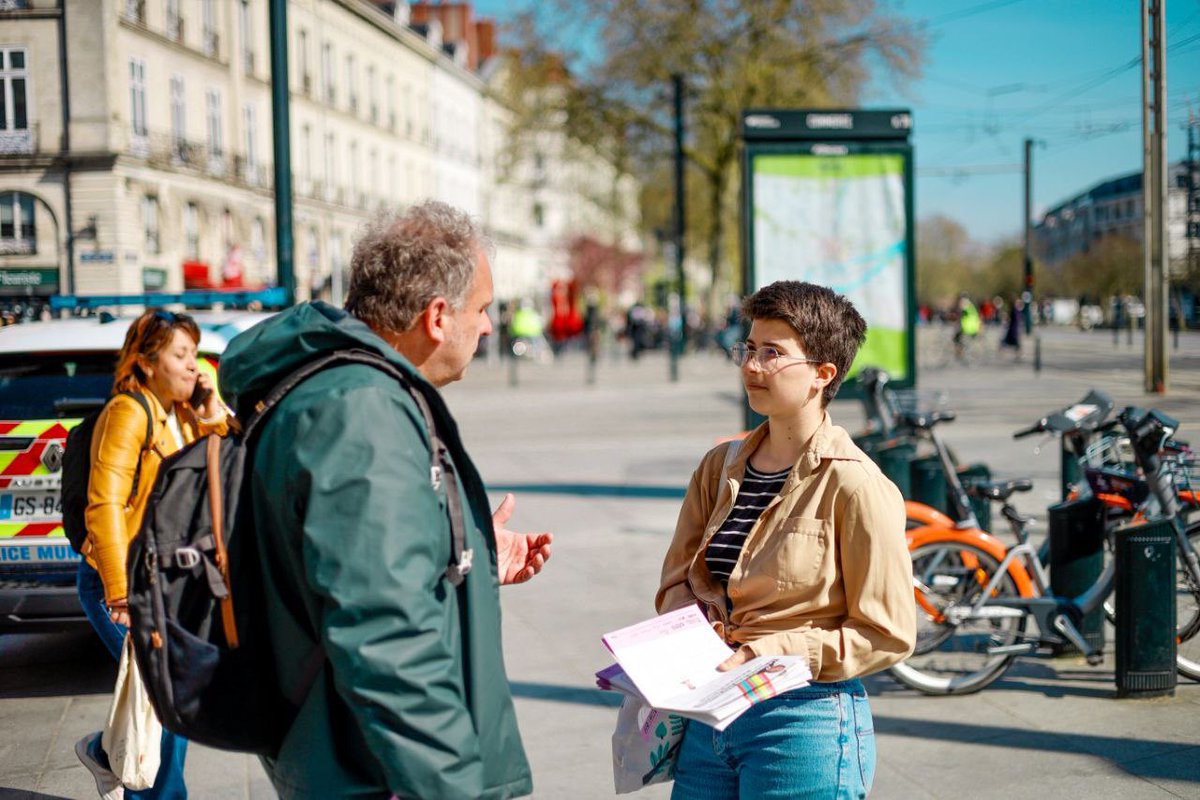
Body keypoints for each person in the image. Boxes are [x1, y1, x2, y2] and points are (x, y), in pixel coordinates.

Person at [216, 200, 553, 799]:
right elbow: (382, 629)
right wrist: (452, 789)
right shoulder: (360, 409)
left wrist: (467, 559)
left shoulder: (337, 390)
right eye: (481, 310)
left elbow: (351, 569)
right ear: (437, 315)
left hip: (348, 754)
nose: (488, 327)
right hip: (375, 771)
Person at [657, 281, 916, 799]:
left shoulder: (857, 485)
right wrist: (685, 629)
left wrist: (773, 650)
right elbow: (676, 584)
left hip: (803, 722)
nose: (751, 367)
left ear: (823, 374)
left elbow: (888, 633)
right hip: (710, 713)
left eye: (773, 353)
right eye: (749, 349)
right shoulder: (718, 468)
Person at [75, 309, 229, 800]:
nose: (193, 365)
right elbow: (105, 505)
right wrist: (120, 593)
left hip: (164, 582)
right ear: (145, 362)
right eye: (180, 355)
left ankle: (105, 753)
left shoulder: (181, 413)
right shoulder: (128, 412)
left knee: (171, 699)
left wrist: (211, 410)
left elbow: (225, 460)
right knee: (163, 703)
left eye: (194, 355)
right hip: (118, 583)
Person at [953, 292, 980, 362]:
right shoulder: (970, 305)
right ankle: (961, 352)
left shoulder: (965, 305)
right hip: (971, 327)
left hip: (968, 327)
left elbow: (960, 315)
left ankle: (960, 353)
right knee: (958, 338)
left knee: (957, 338)